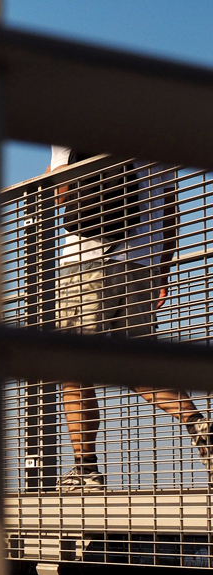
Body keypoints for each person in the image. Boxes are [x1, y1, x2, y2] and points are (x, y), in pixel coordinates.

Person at [48, 147, 213, 491]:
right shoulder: (152, 131)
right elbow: (171, 212)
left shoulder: (73, 120)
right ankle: (199, 424)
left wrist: (49, 177)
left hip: (86, 259)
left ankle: (85, 470)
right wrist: (161, 272)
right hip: (143, 266)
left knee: (75, 370)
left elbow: (61, 193)